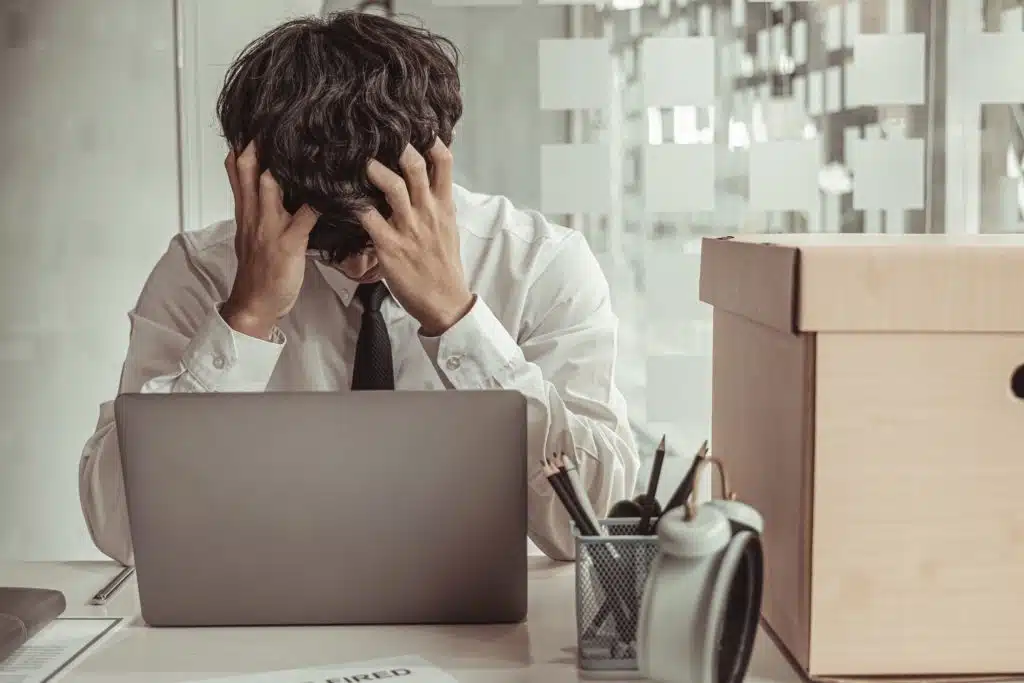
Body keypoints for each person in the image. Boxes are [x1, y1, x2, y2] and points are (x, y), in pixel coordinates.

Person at [78, 10, 640, 566]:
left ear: (434, 165)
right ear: (252, 184)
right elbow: (125, 532)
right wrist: (243, 322)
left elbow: (593, 527)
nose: (359, 266)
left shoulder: (539, 263)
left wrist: (458, 320)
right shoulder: (201, 271)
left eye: (383, 229)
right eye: (327, 244)